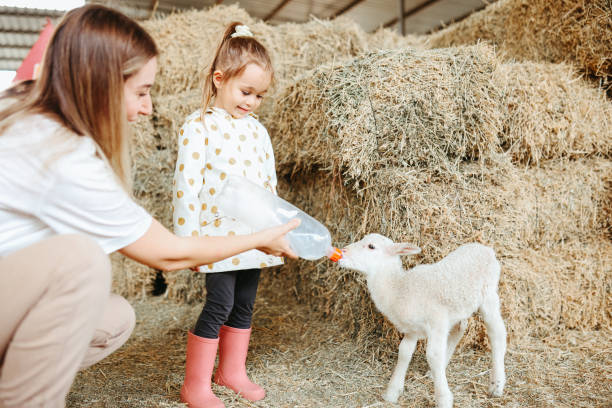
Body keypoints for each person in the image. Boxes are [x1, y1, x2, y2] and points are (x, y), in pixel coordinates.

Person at [0, 6, 298, 408]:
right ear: (100, 83)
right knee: (83, 262)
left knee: (115, 319)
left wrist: (265, 229)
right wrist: (253, 237)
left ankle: (232, 371)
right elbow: (167, 252)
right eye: (142, 92)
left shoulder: (31, 112)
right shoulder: (63, 153)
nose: (149, 108)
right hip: (219, 236)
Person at [172, 22, 282, 407]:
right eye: (245, 91)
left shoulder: (258, 132)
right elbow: (186, 187)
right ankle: (195, 384)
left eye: (259, 95)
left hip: (254, 237)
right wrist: (189, 244)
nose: (251, 101)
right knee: (219, 304)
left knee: (245, 303)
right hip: (216, 240)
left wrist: (274, 233)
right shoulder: (198, 126)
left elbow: (269, 187)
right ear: (219, 79)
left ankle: (231, 372)